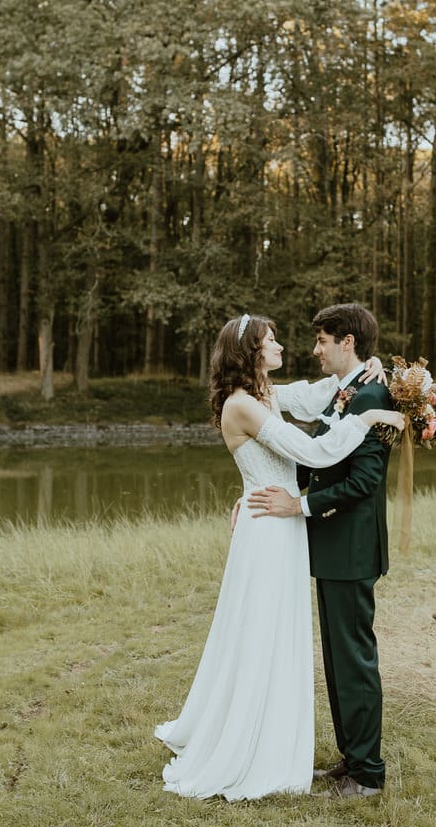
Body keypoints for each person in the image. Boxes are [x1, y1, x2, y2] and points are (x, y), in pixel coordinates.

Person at [153, 312, 403, 801]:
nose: (287, 346)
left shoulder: (267, 395)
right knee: (262, 637)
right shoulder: (245, 404)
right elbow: (310, 450)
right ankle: (256, 747)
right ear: (252, 353)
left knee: (280, 635)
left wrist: (375, 367)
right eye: (274, 341)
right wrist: (370, 418)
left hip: (280, 525)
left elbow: (321, 394)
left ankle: (323, 756)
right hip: (272, 530)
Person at [247, 303, 391, 799]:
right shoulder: (343, 392)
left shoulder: (372, 394)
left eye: (323, 341)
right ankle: (351, 762)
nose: (316, 350)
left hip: (352, 547)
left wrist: (300, 507)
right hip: (332, 547)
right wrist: (265, 486)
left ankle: (368, 775)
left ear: (347, 342)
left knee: (354, 659)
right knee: (336, 659)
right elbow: (317, 457)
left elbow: (364, 481)